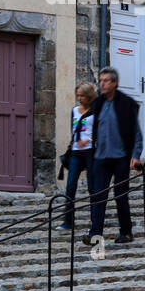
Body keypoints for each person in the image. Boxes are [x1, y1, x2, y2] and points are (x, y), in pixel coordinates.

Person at [84, 66, 143, 246]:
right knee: (98, 196)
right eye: (100, 81)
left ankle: (126, 232)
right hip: (101, 158)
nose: (101, 84)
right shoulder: (98, 103)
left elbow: (136, 132)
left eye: (106, 81)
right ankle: (95, 234)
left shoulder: (126, 103)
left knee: (120, 195)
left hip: (120, 158)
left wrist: (136, 154)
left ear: (115, 83)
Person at [59, 83, 97, 231]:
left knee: (92, 188)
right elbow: (73, 131)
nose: (79, 98)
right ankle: (68, 222)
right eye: (78, 95)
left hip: (90, 152)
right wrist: (76, 142)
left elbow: (100, 132)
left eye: (82, 96)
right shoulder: (74, 110)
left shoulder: (95, 112)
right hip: (75, 152)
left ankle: (95, 222)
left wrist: (89, 140)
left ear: (89, 97)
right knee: (70, 186)